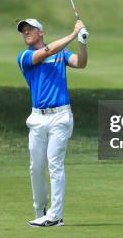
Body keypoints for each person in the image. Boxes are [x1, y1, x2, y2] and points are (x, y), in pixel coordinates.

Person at [15, 18, 89, 227]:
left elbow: (81, 63)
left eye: (30, 29)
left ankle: (55, 216)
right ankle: (40, 210)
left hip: (60, 116)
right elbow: (46, 52)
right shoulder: (25, 57)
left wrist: (82, 41)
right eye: (23, 31)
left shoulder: (61, 55)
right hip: (37, 117)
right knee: (36, 167)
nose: (26, 32)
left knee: (55, 164)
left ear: (41, 31)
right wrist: (73, 34)